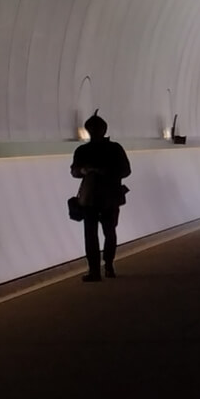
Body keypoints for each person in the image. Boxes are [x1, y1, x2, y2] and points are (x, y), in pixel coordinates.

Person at [70, 111, 131, 282]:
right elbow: (126, 170)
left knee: (91, 234)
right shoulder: (115, 148)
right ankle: (109, 265)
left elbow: (74, 171)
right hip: (110, 197)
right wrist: (108, 172)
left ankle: (94, 270)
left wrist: (85, 170)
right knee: (109, 231)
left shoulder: (82, 150)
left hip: (89, 198)